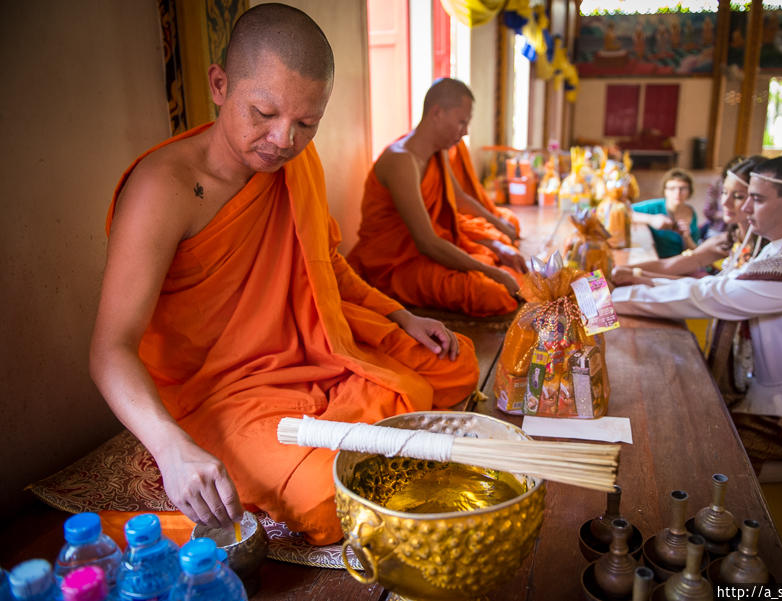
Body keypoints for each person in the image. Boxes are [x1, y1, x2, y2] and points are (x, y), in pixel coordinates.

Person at [89, 4, 479, 546]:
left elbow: (323, 260)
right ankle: (340, 439)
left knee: (453, 363)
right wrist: (169, 445)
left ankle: (351, 422)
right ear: (220, 85)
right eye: (263, 113)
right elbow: (111, 348)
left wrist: (400, 314)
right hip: (221, 391)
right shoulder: (164, 190)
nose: (282, 140)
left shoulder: (296, 164)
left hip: (309, 350)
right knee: (329, 500)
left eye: (305, 123)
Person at [611, 155, 782, 483]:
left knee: (684, 450)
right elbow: (717, 286)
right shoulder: (779, 247)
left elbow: (713, 297)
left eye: (757, 198)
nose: (746, 208)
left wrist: (611, 299)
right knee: (673, 425)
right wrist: (640, 282)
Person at [347, 78, 527, 317]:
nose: (465, 132)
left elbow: (459, 198)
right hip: (393, 265)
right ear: (437, 113)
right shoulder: (401, 161)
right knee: (492, 294)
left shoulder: (437, 151)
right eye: (462, 122)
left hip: (427, 247)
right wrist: (492, 272)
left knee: (499, 247)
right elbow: (427, 242)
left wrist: (497, 222)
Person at [612, 156, 767, 286]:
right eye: (724, 193)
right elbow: (671, 264)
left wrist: (638, 276)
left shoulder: (767, 256)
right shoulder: (729, 239)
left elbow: (711, 291)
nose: (725, 202)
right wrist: (626, 270)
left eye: (738, 196)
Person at [447, 139, 521, 244]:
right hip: (449, 216)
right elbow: (458, 199)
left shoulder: (458, 145)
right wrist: (498, 225)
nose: (465, 132)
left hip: (465, 209)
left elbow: (471, 189)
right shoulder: (436, 151)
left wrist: (498, 220)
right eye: (461, 123)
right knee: (490, 251)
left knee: (511, 220)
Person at [631, 168, 700, 258]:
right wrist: (651, 219)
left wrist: (686, 237)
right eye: (672, 188)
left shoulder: (691, 212)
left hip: (682, 262)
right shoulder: (654, 206)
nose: (677, 193)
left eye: (682, 188)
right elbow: (624, 212)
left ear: (689, 191)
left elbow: (695, 251)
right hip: (659, 261)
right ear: (665, 191)